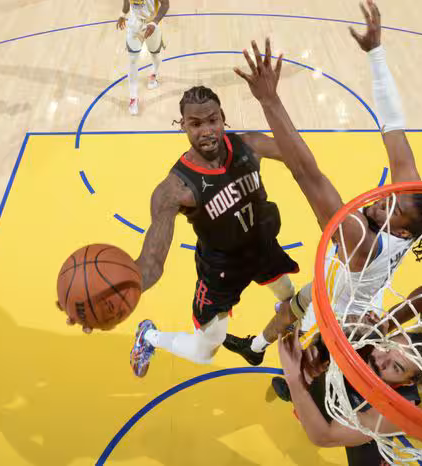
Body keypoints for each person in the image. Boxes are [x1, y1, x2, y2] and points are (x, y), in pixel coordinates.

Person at [224, 0, 422, 366]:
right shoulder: (411, 206)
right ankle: (255, 348)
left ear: (403, 232)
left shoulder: (359, 236)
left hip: (344, 314)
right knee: (291, 307)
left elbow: (307, 173)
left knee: (309, 363)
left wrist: (270, 101)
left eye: (393, 209)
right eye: (393, 198)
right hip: (351, 282)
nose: (384, 200)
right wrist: (376, 54)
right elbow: (393, 122)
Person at [126, 85, 300, 376]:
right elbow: (151, 263)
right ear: (182, 125)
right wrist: (121, 292)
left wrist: (272, 102)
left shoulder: (250, 145)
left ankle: (285, 319)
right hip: (222, 269)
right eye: (196, 124)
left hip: (262, 246)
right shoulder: (175, 189)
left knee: (287, 293)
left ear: (223, 118)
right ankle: (149, 336)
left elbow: (298, 155)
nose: (206, 131)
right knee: (205, 351)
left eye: (212, 120)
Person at [274, 327, 422, 465]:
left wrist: (294, 379)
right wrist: (309, 368)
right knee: (323, 353)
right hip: (343, 393)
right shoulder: (368, 340)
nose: (380, 361)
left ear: (408, 381)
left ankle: (299, 390)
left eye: (395, 367)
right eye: (385, 347)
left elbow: (324, 436)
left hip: (368, 433)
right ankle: (300, 392)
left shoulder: (401, 408)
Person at [116, 0, 170, 115]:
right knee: (132, 60)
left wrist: (154, 23)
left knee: (155, 54)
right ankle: (133, 98)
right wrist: (123, 14)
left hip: (152, 24)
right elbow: (127, 2)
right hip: (134, 25)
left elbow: (165, 4)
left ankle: (153, 75)